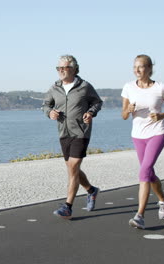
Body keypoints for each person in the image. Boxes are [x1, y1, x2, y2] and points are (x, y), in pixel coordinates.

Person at [121, 54, 164, 229]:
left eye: (140, 67)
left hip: (157, 133)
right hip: (138, 135)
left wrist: (161, 115)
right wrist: (128, 109)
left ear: (149, 68)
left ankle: (140, 215)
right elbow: (124, 115)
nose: (136, 70)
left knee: (144, 171)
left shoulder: (160, 87)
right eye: (134, 67)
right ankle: (163, 198)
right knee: (149, 173)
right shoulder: (129, 87)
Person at [43, 55, 103, 219]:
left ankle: (68, 206)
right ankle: (91, 190)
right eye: (59, 68)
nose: (61, 70)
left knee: (74, 166)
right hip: (63, 132)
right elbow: (45, 105)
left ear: (74, 69)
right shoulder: (54, 88)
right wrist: (50, 113)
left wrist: (91, 112)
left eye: (64, 67)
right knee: (72, 168)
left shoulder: (84, 86)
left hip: (81, 131)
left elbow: (97, 102)